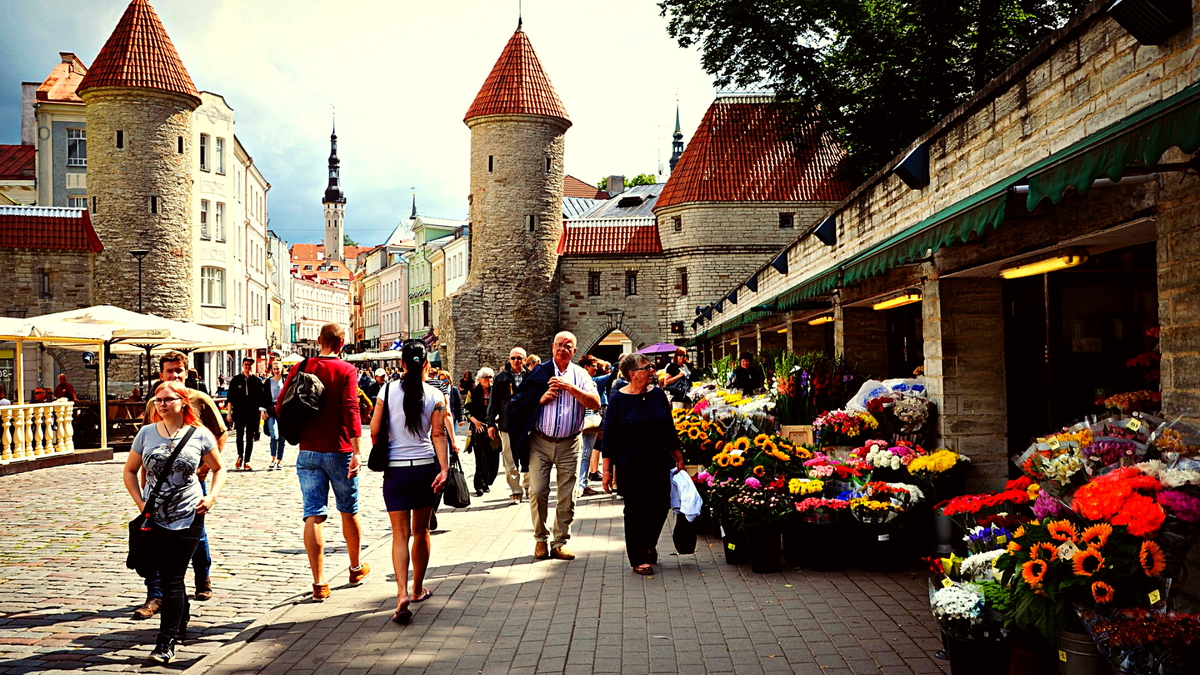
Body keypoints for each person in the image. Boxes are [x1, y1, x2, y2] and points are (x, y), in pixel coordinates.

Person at [123, 380, 227, 663]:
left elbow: (219, 469)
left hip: (189, 515)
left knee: (172, 577)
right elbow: (130, 471)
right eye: (158, 400)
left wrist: (212, 497)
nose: (161, 405)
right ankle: (180, 621)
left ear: (183, 403)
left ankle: (165, 642)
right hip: (154, 516)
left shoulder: (200, 434)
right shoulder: (145, 434)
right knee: (170, 576)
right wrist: (141, 503)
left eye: (168, 400)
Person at [278, 323, 370, 602]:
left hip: (308, 452)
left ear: (319, 341)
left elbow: (280, 403)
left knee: (313, 515)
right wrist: (357, 450)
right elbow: (351, 409)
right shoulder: (346, 370)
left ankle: (319, 583)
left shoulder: (300, 367)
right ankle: (355, 569)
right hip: (340, 450)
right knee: (348, 510)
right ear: (342, 344)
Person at [137, 351, 228, 617]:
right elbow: (145, 444)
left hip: (190, 481)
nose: (174, 375)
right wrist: (145, 480)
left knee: (196, 535)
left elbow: (219, 434)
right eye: (169, 371)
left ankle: (202, 578)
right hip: (157, 487)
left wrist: (203, 468)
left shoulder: (200, 399)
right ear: (161, 374)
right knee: (152, 538)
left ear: (186, 372)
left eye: (179, 370)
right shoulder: (156, 402)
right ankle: (155, 595)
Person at [370, 341, 449, 624]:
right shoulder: (435, 394)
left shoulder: (386, 390)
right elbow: (438, 435)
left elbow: (376, 430)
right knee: (422, 531)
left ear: (402, 364)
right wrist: (444, 468)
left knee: (400, 534)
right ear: (426, 363)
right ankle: (418, 589)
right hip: (425, 468)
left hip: (396, 470)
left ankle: (401, 592)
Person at [506, 332, 600, 561]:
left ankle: (559, 542)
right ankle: (540, 539)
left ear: (574, 350)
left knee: (567, 495)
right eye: (560, 345)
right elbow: (518, 403)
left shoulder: (580, 375)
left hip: (570, 443)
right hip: (541, 441)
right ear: (552, 347)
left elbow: (595, 403)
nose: (563, 349)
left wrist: (571, 389)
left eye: (568, 346)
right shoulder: (540, 372)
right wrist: (540, 400)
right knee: (537, 491)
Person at [601, 352, 685, 575]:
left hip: (658, 461)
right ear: (632, 374)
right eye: (646, 368)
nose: (651, 371)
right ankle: (638, 558)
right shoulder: (618, 398)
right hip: (631, 464)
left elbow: (669, 428)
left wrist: (678, 457)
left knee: (660, 506)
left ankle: (649, 543)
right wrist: (606, 470)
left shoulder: (658, 394)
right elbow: (608, 436)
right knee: (636, 511)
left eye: (650, 367)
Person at [487, 347, 529, 505]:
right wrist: (491, 423)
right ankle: (516, 491)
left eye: (519, 358)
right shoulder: (501, 377)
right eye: (513, 358)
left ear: (525, 360)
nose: (516, 361)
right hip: (506, 424)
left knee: (528, 458)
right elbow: (494, 402)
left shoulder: (530, 377)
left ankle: (528, 487)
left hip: (526, 425)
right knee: (509, 459)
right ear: (509, 359)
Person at [227, 358, 266, 471]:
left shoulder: (256, 381)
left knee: (250, 437)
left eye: (249, 365)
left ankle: (247, 460)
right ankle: (240, 455)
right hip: (239, 412)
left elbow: (261, 398)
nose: (247, 367)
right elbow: (230, 397)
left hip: (252, 412)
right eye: (246, 365)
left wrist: (261, 412)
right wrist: (229, 413)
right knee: (239, 435)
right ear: (243, 365)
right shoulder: (236, 379)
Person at [575, 355, 604, 498]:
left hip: (590, 421)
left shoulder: (591, 381)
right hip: (584, 421)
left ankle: (582, 484)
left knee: (586, 454)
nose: (596, 368)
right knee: (584, 454)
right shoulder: (583, 381)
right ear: (586, 367)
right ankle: (580, 485)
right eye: (593, 366)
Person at [466, 367, 497, 497]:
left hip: (493, 429)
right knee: (481, 459)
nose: (488, 380)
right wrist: (476, 422)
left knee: (493, 459)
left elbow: (501, 407)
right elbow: (466, 411)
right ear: (479, 379)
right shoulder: (473, 392)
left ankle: (487, 482)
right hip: (478, 430)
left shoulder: (495, 392)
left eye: (490, 377)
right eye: (486, 377)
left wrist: (496, 419)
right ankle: (479, 485)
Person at [263, 361, 287, 470]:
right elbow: (263, 397)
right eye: (274, 369)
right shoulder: (268, 382)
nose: (276, 370)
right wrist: (263, 411)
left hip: (283, 411)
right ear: (272, 370)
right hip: (271, 411)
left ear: (282, 369)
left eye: (278, 368)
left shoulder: (286, 381)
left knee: (282, 438)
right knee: (274, 436)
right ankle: (273, 459)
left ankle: (279, 461)